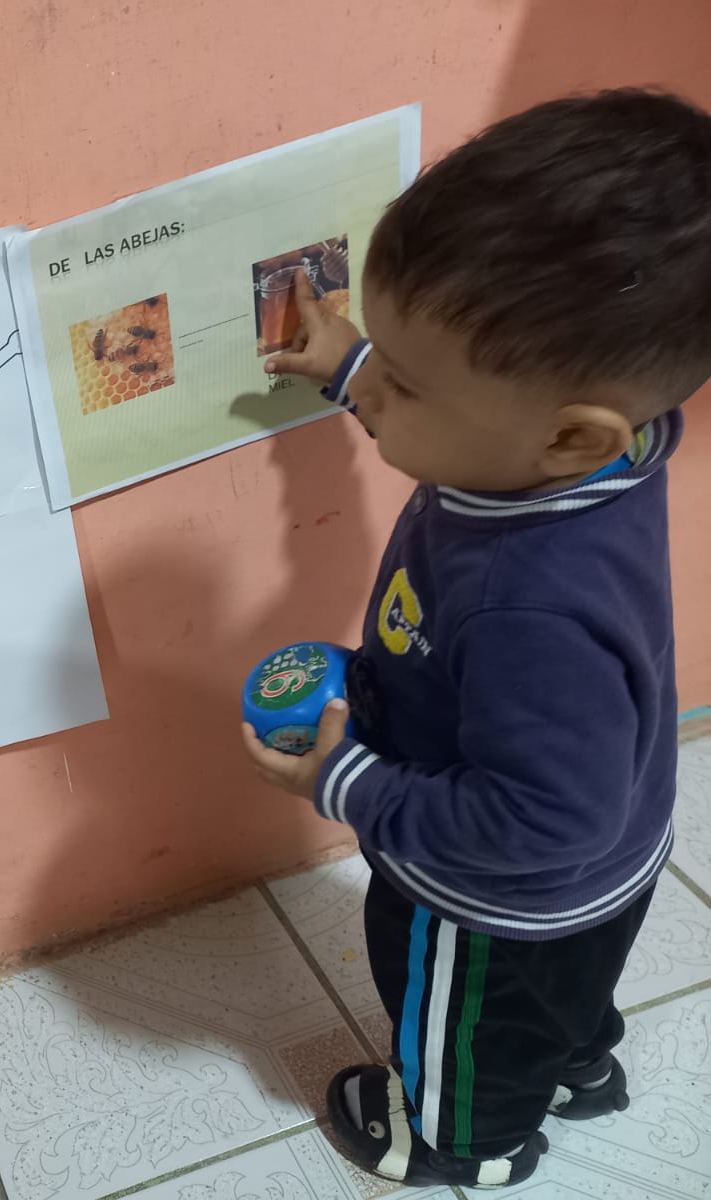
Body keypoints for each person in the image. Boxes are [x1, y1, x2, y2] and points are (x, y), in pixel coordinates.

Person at [243, 89, 711, 1189]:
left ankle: (464, 1142)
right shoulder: (587, 454)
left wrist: (347, 784)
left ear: (569, 436)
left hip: (498, 894)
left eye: (402, 385)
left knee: (459, 1017)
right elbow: (474, 409)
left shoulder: (528, 609)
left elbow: (538, 823)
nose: (381, 394)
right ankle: (574, 1064)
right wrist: (358, 369)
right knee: (557, 994)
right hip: (603, 859)